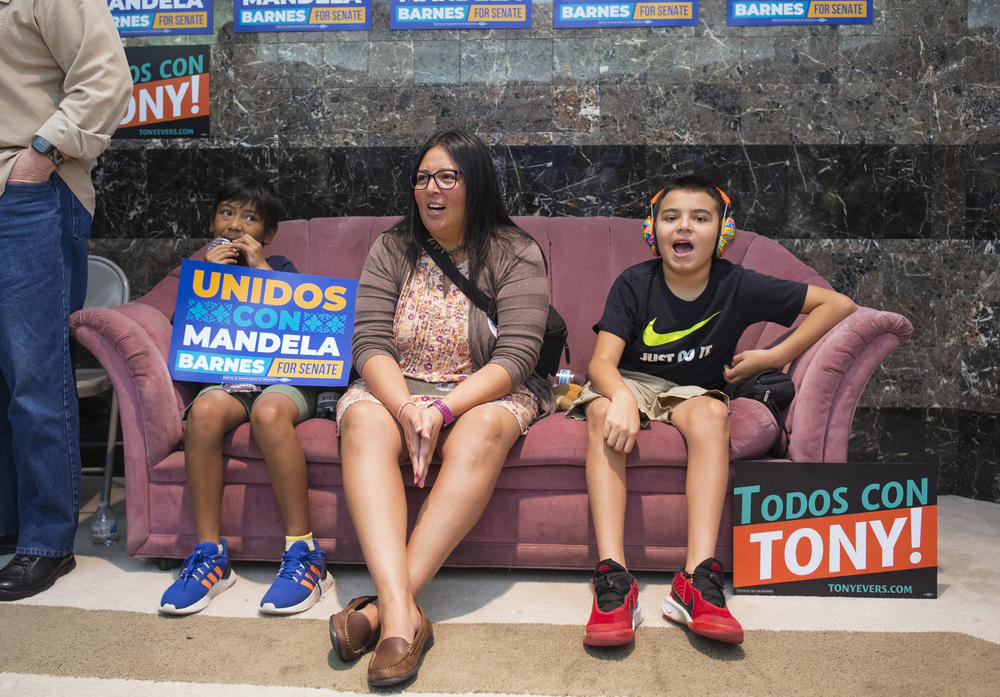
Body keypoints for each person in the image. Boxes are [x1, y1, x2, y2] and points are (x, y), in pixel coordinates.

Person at [570, 175, 856, 646]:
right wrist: (620, 397)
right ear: (653, 230)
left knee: (713, 415)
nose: (684, 227)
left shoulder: (737, 284)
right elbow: (602, 362)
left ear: (722, 232)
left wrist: (770, 356)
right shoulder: (634, 283)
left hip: (694, 392)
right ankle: (614, 578)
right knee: (601, 413)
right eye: (671, 218)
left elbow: (837, 304)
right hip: (632, 383)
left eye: (699, 218)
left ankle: (696, 579)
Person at [329, 130, 549, 686]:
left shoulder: (515, 250)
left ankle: (382, 610)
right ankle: (403, 614)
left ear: (475, 186)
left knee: (482, 434)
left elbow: (520, 354)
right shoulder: (391, 246)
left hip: (483, 390)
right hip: (399, 386)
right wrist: (405, 406)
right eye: (423, 177)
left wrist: (444, 410)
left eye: (447, 177)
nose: (432, 188)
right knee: (360, 419)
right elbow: (371, 344)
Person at [0, 0, 132, 600]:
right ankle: (8, 524)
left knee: (35, 372)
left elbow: (105, 78)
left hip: (26, 192)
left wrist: (38, 159)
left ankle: (47, 541)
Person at [158, 175, 332, 616]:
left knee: (270, 412)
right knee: (203, 414)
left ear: (268, 235)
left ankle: (303, 552)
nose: (236, 226)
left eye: (250, 218)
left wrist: (260, 270)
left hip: (285, 381)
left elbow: (304, 317)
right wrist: (211, 277)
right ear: (213, 221)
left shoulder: (283, 269)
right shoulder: (200, 274)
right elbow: (187, 330)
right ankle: (209, 555)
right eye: (227, 213)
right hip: (228, 381)